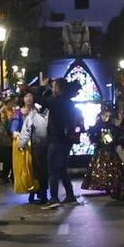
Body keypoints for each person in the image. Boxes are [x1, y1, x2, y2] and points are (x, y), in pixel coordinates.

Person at [43, 78, 83, 208]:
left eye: (54, 86)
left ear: (58, 88)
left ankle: (54, 197)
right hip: (66, 141)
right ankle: (70, 195)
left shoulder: (57, 101)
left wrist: (44, 87)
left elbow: (42, 100)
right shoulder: (68, 102)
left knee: (53, 169)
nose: (52, 88)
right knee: (62, 168)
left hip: (56, 140)